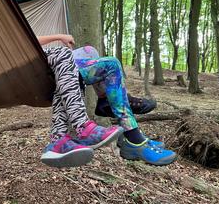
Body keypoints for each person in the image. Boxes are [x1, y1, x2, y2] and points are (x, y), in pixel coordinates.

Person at [38, 34, 176, 167]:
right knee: (111, 64)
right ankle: (133, 137)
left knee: (90, 51)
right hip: (38, 64)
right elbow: (22, 40)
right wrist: (58, 36)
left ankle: (105, 101)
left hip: (47, 61)